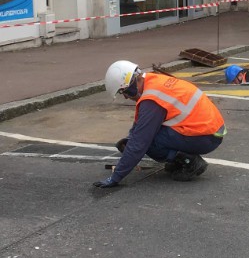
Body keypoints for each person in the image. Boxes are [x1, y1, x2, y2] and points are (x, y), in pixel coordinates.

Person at [94, 60, 226, 188]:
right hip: (211, 130)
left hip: (206, 137)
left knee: (148, 142)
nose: (126, 97)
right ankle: (180, 159)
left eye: (125, 92)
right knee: (143, 136)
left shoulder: (151, 99)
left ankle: (189, 162)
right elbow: (141, 124)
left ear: (133, 82)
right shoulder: (153, 81)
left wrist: (115, 177)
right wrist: (129, 138)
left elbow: (140, 141)